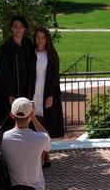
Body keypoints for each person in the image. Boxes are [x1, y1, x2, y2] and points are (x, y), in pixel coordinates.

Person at [0, 97, 51, 190]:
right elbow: (46, 135)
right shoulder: (41, 138)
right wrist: (33, 117)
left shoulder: (2, 138)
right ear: (30, 114)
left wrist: (6, 121)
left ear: (12, 115)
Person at [29, 27, 64, 167]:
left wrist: (51, 95)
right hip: (33, 94)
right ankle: (42, 155)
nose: (40, 40)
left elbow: (55, 78)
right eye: (38, 37)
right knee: (34, 124)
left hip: (46, 94)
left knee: (45, 125)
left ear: (47, 39)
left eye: (43, 38)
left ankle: (46, 155)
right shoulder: (31, 54)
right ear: (34, 39)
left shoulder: (52, 55)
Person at [0, 15, 33, 131]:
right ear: (11, 28)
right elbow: (3, 73)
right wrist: (10, 93)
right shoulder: (5, 48)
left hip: (26, 88)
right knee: (10, 118)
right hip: (11, 91)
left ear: (24, 28)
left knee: (26, 115)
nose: (18, 29)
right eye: (15, 26)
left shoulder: (28, 44)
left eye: (21, 26)